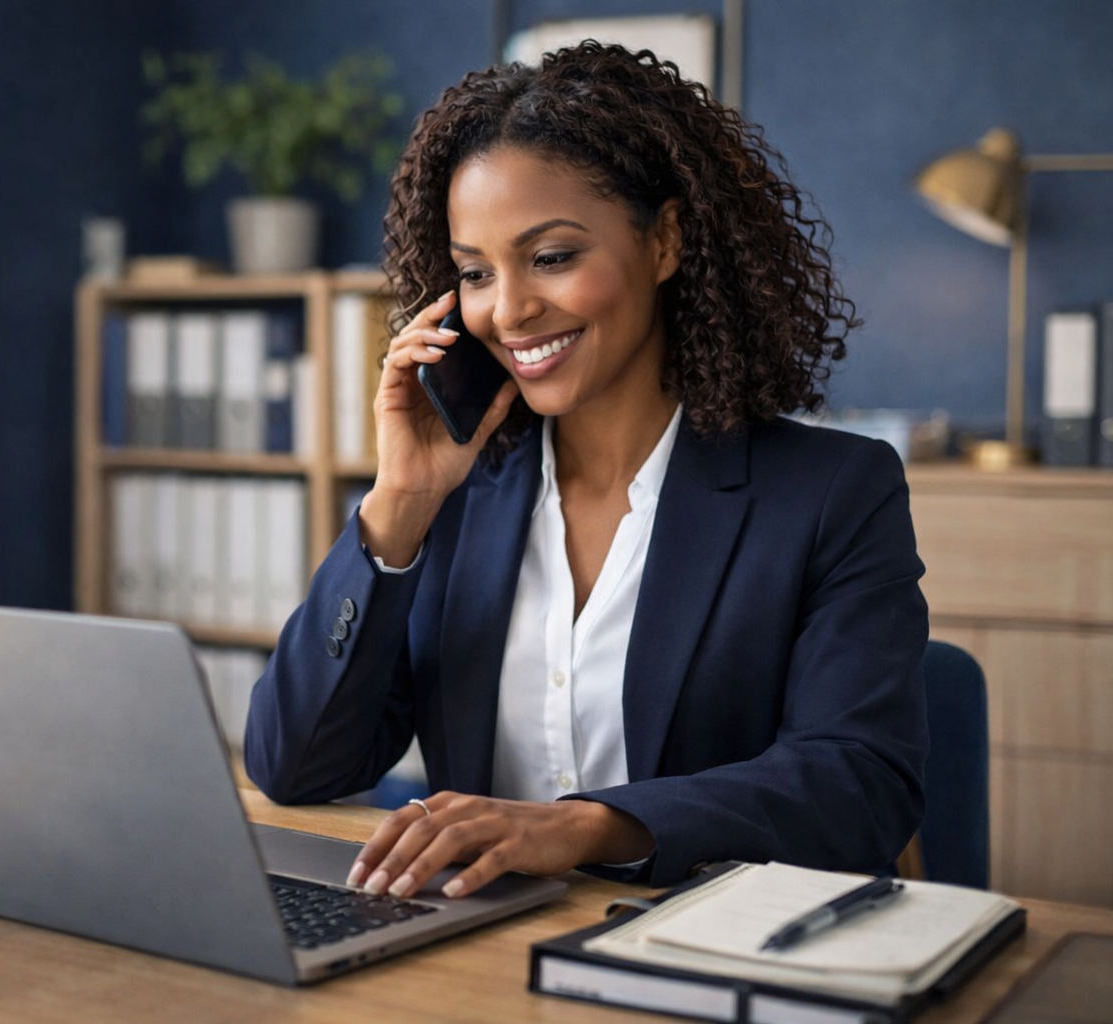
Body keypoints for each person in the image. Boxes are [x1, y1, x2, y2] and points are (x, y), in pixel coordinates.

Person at [244, 41, 927, 899]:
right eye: (475, 273)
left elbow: (861, 787)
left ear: (667, 240)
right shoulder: (453, 501)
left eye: (553, 256)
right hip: (479, 953)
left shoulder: (830, 494)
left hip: (702, 953)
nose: (511, 309)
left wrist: (583, 825)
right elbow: (294, 766)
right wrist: (400, 505)